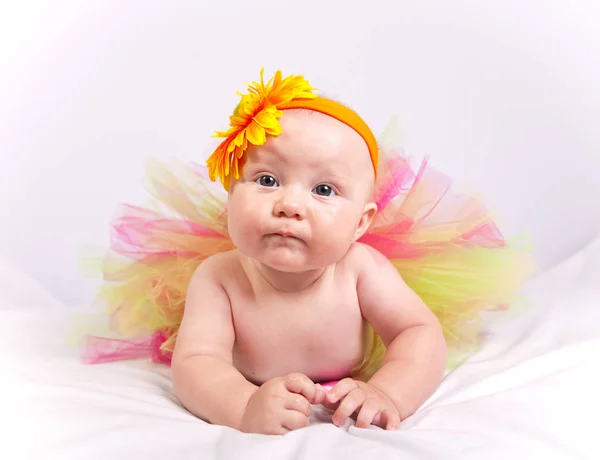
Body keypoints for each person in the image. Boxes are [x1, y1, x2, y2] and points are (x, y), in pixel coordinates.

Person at [82, 69, 533, 435]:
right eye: (266, 180)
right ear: (230, 196)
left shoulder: (362, 270)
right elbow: (198, 362)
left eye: (323, 189)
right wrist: (243, 405)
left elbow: (418, 332)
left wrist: (388, 393)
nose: (289, 205)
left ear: (361, 223)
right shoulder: (218, 277)